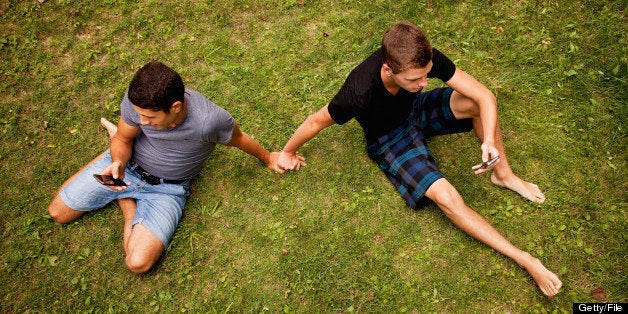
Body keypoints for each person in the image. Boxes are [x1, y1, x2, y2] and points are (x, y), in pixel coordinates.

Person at [277, 22, 562, 298]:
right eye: (415, 79)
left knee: (474, 104)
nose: (424, 82)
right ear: (388, 69)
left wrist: (488, 139)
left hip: (417, 109)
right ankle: (524, 259)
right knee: (447, 197)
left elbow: (485, 96)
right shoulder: (359, 91)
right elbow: (316, 120)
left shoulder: (420, 58)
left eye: (426, 75)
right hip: (390, 139)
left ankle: (504, 175)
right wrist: (287, 152)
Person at [48, 61, 285, 274]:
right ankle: (113, 170)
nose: (142, 122)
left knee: (137, 263)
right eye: (140, 115)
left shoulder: (209, 121)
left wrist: (269, 158)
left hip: (167, 190)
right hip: (127, 166)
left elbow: (239, 139)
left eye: (150, 118)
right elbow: (123, 139)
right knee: (58, 213)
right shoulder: (139, 103)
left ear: (175, 107)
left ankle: (127, 202)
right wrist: (118, 162)